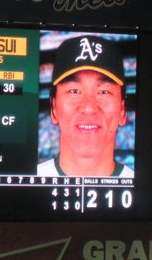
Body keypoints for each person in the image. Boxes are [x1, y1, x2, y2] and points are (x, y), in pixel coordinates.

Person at [38, 35, 133, 177]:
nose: (89, 108)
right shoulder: (24, 187)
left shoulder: (145, 191)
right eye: (74, 91)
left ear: (123, 110)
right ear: (54, 108)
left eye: (104, 91)